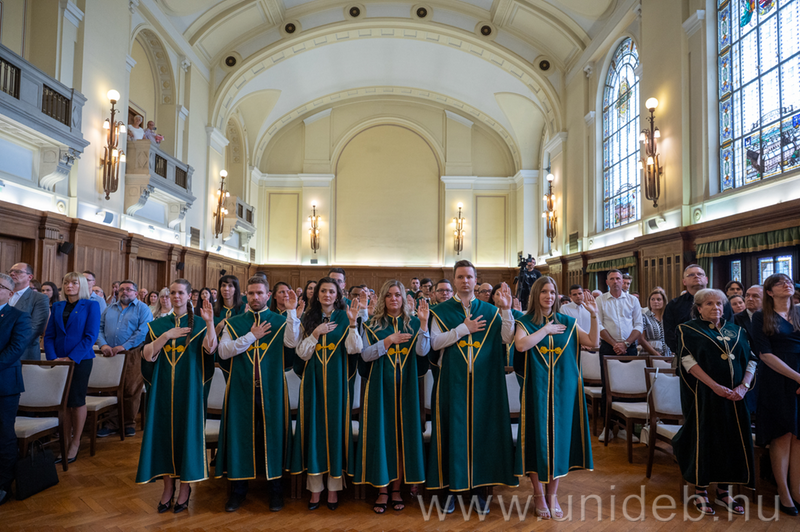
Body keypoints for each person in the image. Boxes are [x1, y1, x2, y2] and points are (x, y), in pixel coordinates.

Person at [428, 260, 518, 514]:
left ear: (475, 280)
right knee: (453, 435)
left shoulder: (490, 310)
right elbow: (435, 343)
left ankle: (479, 490)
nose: (465, 281)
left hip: (484, 383)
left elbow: (506, 338)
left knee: (482, 435)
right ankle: (451, 490)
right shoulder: (441, 311)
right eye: (460, 277)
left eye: (469, 277)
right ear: (454, 280)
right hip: (452, 382)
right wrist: (462, 329)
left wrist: (506, 310)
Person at [513, 276, 598, 519]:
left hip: (563, 390)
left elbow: (593, 342)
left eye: (552, 292)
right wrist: (545, 329)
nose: (548, 296)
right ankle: (538, 494)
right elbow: (521, 346)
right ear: (535, 295)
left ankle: (552, 495)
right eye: (544, 292)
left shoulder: (568, 322)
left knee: (559, 442)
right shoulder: (525, 322)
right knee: (537, 441)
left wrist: (594, 315)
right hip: (536, 389)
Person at [216, 276, 300, 512]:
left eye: (259, 293)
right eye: (251, 293)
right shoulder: (235, 322)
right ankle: (238, 491)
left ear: (268, 296)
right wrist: (251, 336)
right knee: (241, 437)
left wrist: (291, 312)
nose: (255, 297)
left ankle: (275, 490)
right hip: (241, 388)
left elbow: (292, 343)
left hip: (272, 388)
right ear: (246, 296)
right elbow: (223, 351)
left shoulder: (280, 321)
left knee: (273, 437)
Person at [136, 279, 217, 514]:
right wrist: (166, 336)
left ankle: (185, 488)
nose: (176, 296)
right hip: (162, 390)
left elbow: (211, 349)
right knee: (163, 437)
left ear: (189, 295)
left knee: (186, 436)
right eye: (172, 292)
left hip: (189, 389)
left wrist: (210, 323)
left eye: (181, 292)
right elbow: (147, 355)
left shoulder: (200, 323)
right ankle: (168, 488)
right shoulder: (159, 325)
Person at [673, 288, 755, 516]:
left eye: (719, 303)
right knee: (707, 441)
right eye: (709, 303)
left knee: (731, 441)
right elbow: (688, 361)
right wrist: (715, 386)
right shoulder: (688, 330)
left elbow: (752, 360)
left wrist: (744, 386)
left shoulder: (738, 330)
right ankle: (700, 491)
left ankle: (723, 491)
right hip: (706, 396)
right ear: (699, 308)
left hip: (736, 397)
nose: (715, 307)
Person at [352, 281, 430, 513]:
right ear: (383, 299)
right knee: (382, 437)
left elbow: (423, 352)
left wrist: (424, 325)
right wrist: (388, 341)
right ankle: (382, 490)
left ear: (403, 298)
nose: (393, 299)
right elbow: (365, 355)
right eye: (389, 295)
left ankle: (397, 489)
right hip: (380, 388)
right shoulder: (372, 324)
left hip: (407, 389)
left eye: (397, 295)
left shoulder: (414, 323)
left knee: (402, 438)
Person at [290, 277, 362, 510]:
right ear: (317, 294)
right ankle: (315, 490)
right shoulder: (308, 317)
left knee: (335, 432)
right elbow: (301, 354)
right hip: (312, 383)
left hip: (337, 383)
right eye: (323, 291)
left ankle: (333, 489)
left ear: (338, 294)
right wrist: (315, 334)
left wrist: (353, 324)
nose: (327, 295)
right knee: (314, 432)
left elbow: (355, 349)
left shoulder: (345, 316)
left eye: (332, 291)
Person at [752, 274, 800, 515]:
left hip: (799, 374)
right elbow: (765, 354)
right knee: (781, 434)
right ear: (769, 292)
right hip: (777, 377)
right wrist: (797, 377)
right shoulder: (761, 316)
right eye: (779, 283)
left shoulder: (799, 313)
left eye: (788, 281)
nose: (787, 284)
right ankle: (783, 492)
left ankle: (798, 491)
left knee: (798, 436)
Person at [43, 272, 101, 463]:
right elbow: (49, 335)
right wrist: (53, 358)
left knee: (76, 401)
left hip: (80, 360)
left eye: (74, 283)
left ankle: (75, 442)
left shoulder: (91, 305)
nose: (69, 286)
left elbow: (91, 336)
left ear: (81, 285)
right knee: (63, 403)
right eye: (66, 282)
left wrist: (71, 358)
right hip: (59, 360)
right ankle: (65, 439)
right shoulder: (57, 306)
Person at [96, 280, 153, 438]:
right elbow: (99, 328)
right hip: (110, 353)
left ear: (136, 293)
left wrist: (124, 346)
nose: (124, 292)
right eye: (121, 289)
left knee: (130, 389)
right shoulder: (109, 308)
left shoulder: (143, 308)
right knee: (110, 388)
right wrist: (103, 344)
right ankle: (111, 423)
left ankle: (128, 423)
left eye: (128, 289)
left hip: (132, 353)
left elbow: (143, 330)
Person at [595, 269, 643, 442]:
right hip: (608, 348)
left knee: (628, 387)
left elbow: (639, 325)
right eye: (612, 279)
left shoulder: (632, 300)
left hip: (629, 348)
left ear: (623, 281)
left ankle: (624, 428)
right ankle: (607, 427)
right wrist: (615, 344)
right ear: (607, 282)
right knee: (608, 387)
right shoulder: (600, 300)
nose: (615, 281)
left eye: (618, 278)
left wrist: (626, 344)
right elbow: (599, 325)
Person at [0, 273, 32, 506]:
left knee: (3, 435)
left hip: (5, 385)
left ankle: (3, 484)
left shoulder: (19, 316)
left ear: (10, 293)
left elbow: (16, 348)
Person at [664, 264, 733, 355]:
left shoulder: (722, 302)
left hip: (719, 352)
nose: (696, 276)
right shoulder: (674, 305)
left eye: (700, 274)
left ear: (706, 279)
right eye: (691, 275)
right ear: (684, 281)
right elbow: (669, 334)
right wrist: (683, 351)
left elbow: (729, 327)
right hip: (685, 354)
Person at [8, 263, 49, 361]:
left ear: (30, 277)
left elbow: (35, 329)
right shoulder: (3, 295)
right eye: (11, 271)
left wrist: (5, 343)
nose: (12, 274)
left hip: (23, 353)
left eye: (17, 271)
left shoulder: (39, 298)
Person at [639, 288, 670, 357]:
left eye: (658, 299)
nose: (655, 302)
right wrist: (656, 354)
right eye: (652, 299)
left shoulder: (668, 318)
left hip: (667, 356)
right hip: (649, 356)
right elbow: (641, 339)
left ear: (664, 301)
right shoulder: (644, 317)